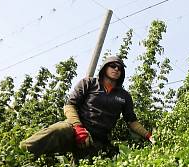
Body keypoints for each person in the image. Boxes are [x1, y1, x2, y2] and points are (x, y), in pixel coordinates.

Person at [21, 55, 154, 159]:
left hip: (97, 140)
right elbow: (70, 106)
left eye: (120, 68)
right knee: (59, 129)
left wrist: (149, 136)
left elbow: (132, 122)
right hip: (76, 128)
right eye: (113, 66)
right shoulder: (88, 83)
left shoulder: (124, 96)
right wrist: (78, 128)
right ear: (105, 68)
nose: (116, 69)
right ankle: (22, 153)